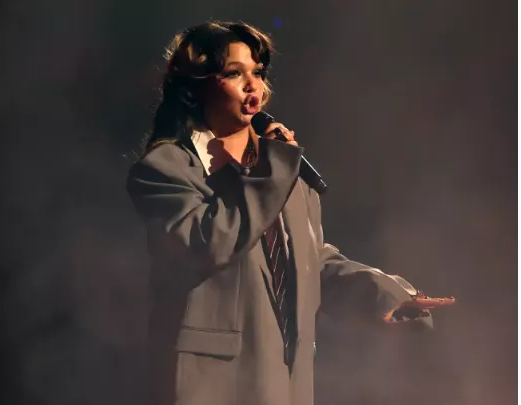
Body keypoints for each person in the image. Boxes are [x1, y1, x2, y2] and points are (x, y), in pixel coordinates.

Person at [127, 20, 450, 405]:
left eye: (258, 72)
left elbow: (311, 262)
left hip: (283, 379)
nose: (253, 85)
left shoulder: (281, 171)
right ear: (196, 87)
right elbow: (208, 242)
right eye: (234, 73)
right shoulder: (167, 168)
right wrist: (272, 171)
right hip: (211, 385)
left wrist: (382, 294)